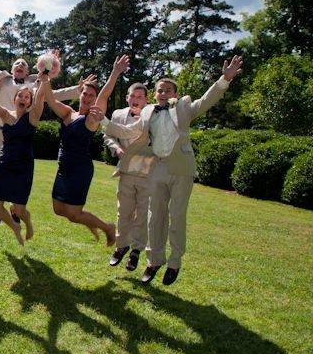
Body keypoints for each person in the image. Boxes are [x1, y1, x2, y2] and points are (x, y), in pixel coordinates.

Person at [101, 55, 243, 285]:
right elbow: (129, 131)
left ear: (174, 94)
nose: (163, 93)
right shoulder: (148, 113)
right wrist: (104, 122)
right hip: (157, 168)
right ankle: (154, 260)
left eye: (167, 90)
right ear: (155, 94)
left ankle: (175, 262)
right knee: (154, 217)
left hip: (181, 169)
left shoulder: (184, 107)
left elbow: (206, 101)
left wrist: (224, 80)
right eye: (159, 90)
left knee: (176, 217)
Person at [0, 57, 78, 225]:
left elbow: (53, 95)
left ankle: (15, 208)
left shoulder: (34, 86)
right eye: (17, 63)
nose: (20, 65)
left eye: (24, 64)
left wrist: (78, 90)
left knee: (19, 171)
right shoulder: (1, 81)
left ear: (28, 71)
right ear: (11, 68)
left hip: (19, 135)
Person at [43, 55, 130, 245]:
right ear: (80, 94)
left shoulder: (91, 119)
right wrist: (46, 74)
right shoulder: (68, 112)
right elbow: (49, 99)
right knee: (58, 209)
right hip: (63, 168)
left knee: (74, 213)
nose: (88, 98)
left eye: (92, 96)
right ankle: (90, 223)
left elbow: (104, 95)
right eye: (85, 94)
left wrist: (115, 72)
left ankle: (107, 228)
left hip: (79, 170)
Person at [0, 61, 54, 245]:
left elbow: (40, 98)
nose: (23, 98)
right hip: (4, 164)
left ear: (29, 102)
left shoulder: (33, 116)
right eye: (20, 95)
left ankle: (27, 223)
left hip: (23, 167)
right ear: (15, 99)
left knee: (20, 210)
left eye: (27, 96)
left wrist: (44, 79)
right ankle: (14, 227)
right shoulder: (6, 115)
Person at [102, 82, 153, 271]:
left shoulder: (153, 116)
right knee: (123, 212)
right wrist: (115, 147)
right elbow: (107, 134)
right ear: (127, 98)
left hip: (149, 173)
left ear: (147, 100)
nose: (136, 100)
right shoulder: (117, 115)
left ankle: (136, 251)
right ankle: (121, 246)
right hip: (126, 172)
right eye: (133, 96)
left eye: (140, 97)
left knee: (142, 215)